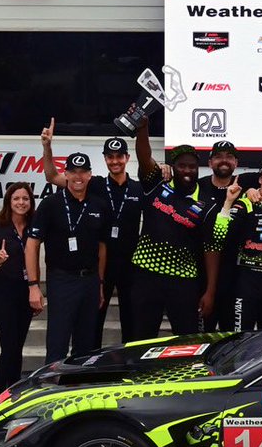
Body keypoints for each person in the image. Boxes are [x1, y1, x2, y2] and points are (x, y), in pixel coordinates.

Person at [42, 124, 143, 345]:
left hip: (129, 265)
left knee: (131, 322)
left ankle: (129, 370)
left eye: (119, 156)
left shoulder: (137, 189)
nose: (115, 161)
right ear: (105, 159)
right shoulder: (93, 183)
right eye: (110, 157)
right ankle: (92, 370)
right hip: (100, 263)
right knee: (93, 322)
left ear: (127, 158)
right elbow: (52, 176)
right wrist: (47, 147)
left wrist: (165, 168)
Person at [197, 122, 262, 328]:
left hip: (248, 272)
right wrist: (229, 202)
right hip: (209, 263)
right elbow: (218, 236)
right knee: (214, 329)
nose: (224, 160)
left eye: (229, 156)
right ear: (210, 162)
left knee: (259, 333)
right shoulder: (201, 186)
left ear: (236, 162)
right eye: (218, 156)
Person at [130, 116, 221, 337]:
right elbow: (144, 157)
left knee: (186, 340)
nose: (187, 170)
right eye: (182, 165)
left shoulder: (207, 204)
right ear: (173, 167)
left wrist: (210, 291)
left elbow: (211, 249)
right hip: (145, 273)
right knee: (140, 337)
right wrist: (143, 129)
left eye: (192, 166)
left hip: (183, 280)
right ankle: (139, 373)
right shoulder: (156, 185)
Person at [25, 152, 109, 364]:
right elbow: (32, 244)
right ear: (66, 174)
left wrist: (99, 282)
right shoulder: (50, 204)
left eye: (83, 172)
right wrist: (33, 285)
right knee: (57, 343)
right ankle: (52, 391)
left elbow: (102, 247)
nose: (78, 177)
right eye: (73, 172)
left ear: (90, 174)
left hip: (90, 281)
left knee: (86, 345)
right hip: (62, 280)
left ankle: (79, 391)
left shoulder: (98, 205)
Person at [214, 160, 262, 330]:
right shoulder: (244, 204)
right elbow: (219, 236)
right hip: (248, 281)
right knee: (241, 333)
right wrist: (227, 203)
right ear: (260, 180)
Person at [0, 182, 36, 397]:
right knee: (10, 347)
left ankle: (13, 394)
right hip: (4, 292)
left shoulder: (35, 225)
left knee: (18, 347)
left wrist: (36, 291)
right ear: (9, 201)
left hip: (26, 291)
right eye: (16, 199)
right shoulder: (0, 227)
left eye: (25, 199)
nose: (21, 203)